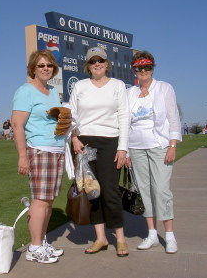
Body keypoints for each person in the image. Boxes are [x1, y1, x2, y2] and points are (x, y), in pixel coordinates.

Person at [69, 47, 130, 257]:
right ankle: (100, 238)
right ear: (88, 65)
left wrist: (123, 148)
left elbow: (124, 117)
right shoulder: (79, 86)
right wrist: (74, 138)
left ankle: (120, 239)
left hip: (110, 142)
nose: (97, 64)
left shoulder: (118, 86)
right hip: (84, 143)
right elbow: (71, 115)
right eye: (93, 61)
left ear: (106, 63)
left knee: (111, 192)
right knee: (92, 192)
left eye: (100, 60)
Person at [12, 49, 66, 264]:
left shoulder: (52, 91)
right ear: (33, 68)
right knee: (40, 200)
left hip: (57, 150)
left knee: (49, 201)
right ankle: (34, 248)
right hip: (39, 150)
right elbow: (17, 125)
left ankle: (42, 242)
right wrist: (22, 156)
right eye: (41, 65)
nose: (46, 68)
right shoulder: (26, 91)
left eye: (49, 65)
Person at [125, 50, 182, 254]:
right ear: (134, 70)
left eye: (147, 67)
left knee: (161, 189)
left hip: (159, 145)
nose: (143, 71)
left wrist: (172, 145)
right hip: (136, 147)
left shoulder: (164, 88)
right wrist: (125, 151)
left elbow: (174, 118)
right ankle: (151, 234)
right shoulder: (130, 93)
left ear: (152, 68)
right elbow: (124, 123)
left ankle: (169, 236)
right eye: (139, 68)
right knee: (145, 190)